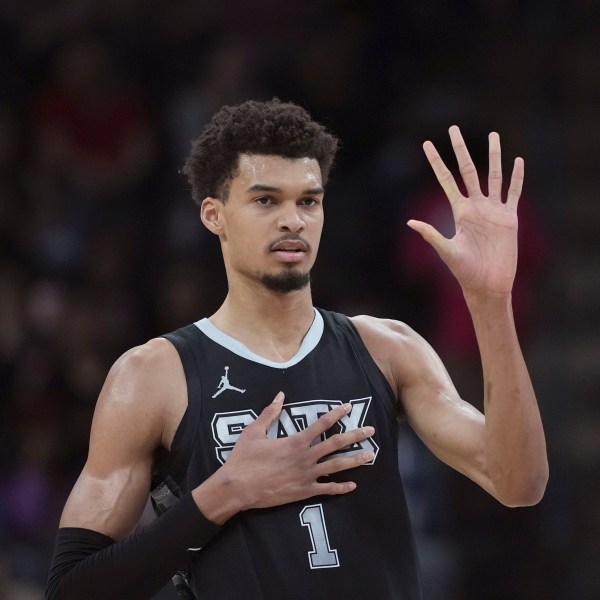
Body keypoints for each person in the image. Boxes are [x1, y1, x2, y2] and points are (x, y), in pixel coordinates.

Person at [46, 99, 548, 599]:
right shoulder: (153, 375)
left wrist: (490, 302)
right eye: (266, 201)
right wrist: (223, 494)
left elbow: (518, 483)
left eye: (308, 201)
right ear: (214, 215)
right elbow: (70, 589)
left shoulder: (387, 348)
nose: (294, 220)